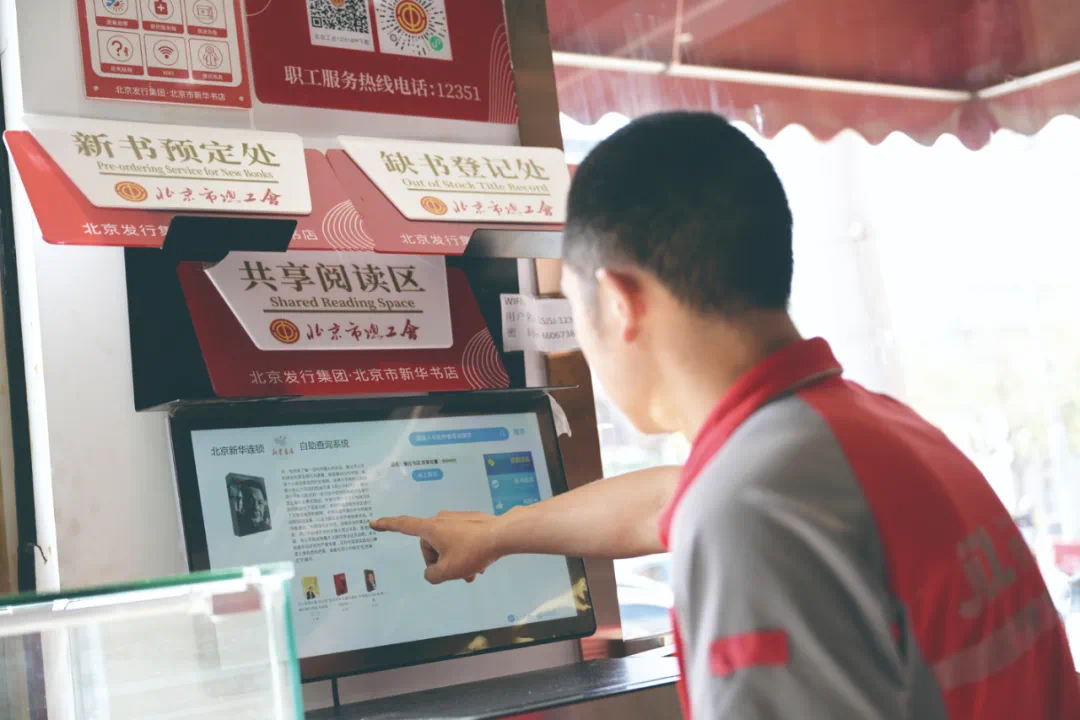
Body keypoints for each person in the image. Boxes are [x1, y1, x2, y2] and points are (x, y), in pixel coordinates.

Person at [372, 112, 1080, 718]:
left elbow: (717, 505)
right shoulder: (863, 434)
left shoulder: (751, 505)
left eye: (571, 303)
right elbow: (666, 500)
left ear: (618, 303)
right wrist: (496, 533)